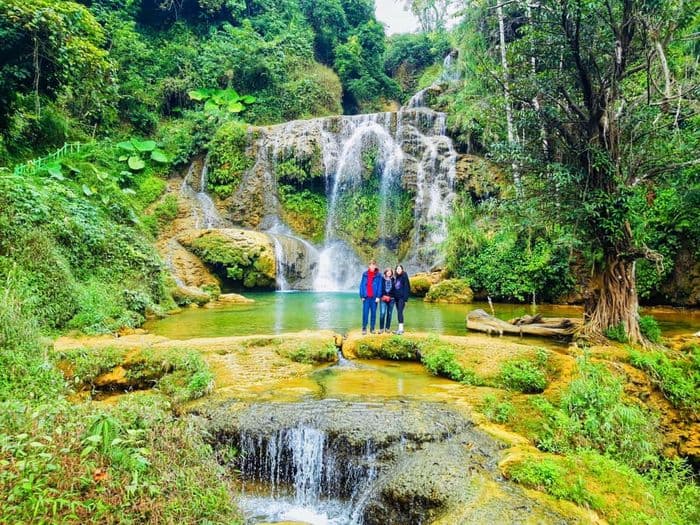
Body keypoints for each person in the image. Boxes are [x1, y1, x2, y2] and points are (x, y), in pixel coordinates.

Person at [359, 259, 382, 334]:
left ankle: (372, 328)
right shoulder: (365, 274)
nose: (372, 266)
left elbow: (380, 286)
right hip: (366, 297)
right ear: (369, 265)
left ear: (375, 266)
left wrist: (378, 296)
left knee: (373, 313)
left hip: (374, 297)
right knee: (365, 313)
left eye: (373, 264)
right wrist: (362, 295)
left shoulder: (378, 275)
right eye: (371, 264)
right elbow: (362, 285)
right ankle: (364, 328)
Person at [393, 264, 410, 335]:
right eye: (397, 269)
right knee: (399, 312)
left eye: (399, 269)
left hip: (402, 298)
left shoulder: (404, 276)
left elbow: (407, 287)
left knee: (400, 312)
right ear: (396, 270)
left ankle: (401, 329)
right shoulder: (397, 277)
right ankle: (399, 329)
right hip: (396, 298)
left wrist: (405, 299)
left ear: (402, 270)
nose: (398, 270)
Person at [378, 267, 396, 333]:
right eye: (387, 271)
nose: (389, 272)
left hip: (391, 299)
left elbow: (394, 289)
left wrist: (390, 296)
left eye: (390, 271)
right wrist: (383, 295)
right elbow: (380, 288)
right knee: (382, 313)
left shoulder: (394, 279)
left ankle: (387, 328)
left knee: (389, 313)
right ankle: (381, 328)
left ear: (391, 273)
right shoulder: (382, 279)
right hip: (383, 298)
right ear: (385, 272)